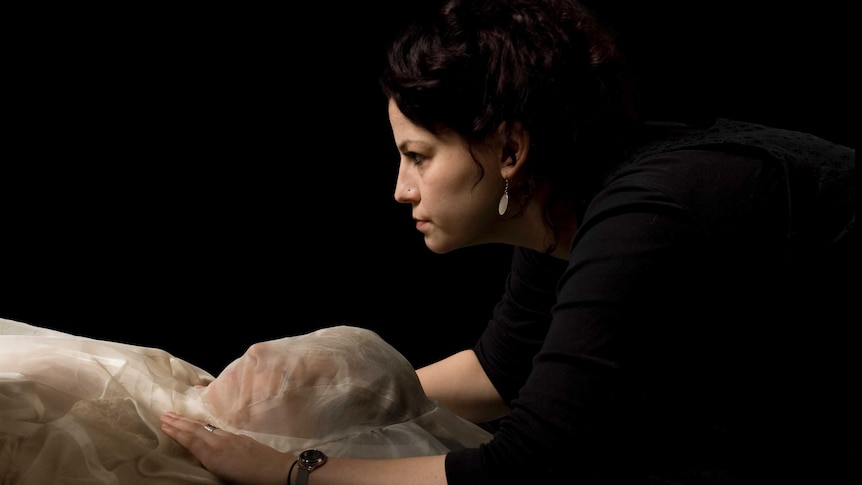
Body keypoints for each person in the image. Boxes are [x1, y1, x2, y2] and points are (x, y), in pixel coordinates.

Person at [160, 0, 857, 483]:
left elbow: (525, 470)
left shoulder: (645, 217)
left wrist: (290, 470)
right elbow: (501, 371)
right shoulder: (558, 202)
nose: (401, 189)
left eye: (420, 155)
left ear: (511, 148)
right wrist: (297, 405)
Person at [0, 318, 490, 484]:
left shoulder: (174, 455)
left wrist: (289, 469)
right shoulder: (177, 380)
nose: (257, 351)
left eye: (290, 374)